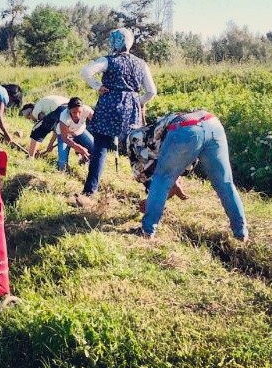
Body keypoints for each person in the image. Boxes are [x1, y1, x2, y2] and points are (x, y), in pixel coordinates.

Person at [127, 110, 249, 241]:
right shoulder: (158, 127)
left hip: (185, 129)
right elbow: (177, 160)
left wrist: (152, 196)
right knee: (225, 183)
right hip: (212, 123)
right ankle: (241, 232)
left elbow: (149, 170)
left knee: (161, 179)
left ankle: (147, 230)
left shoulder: (136, 139)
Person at [79, 27, 157, 197]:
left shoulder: (108, 60)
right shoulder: (141, 63)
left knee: (100, 149)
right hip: (132, 109)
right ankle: (152, 189)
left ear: (113, 42)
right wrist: (138, 102)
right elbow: (151, 91)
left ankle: (89, 191)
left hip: (109, 107)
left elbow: (85, 72)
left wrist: (97, 86)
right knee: (137, 151)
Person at [55, 97, 94, 171]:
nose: (77, 116)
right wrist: (80, 148)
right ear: (69, 110)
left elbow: (97, 123)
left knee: (95, 148)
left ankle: (84, 161)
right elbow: (65, 138)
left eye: (79, 112)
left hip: (80, 131)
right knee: (62, 165)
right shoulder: (64, 116)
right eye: (74, 112)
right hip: (64, 136)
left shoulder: (87, 110)